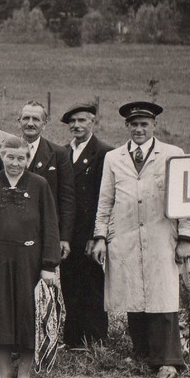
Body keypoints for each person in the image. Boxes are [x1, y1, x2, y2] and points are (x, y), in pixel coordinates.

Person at [91, 101, 190, 378]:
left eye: (144, 124)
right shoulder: (114, 158)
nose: (139, 129)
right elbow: (105, 201)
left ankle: (169, 360)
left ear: (154, 126)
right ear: (127, 126)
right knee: (133, 294)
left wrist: (186, 238)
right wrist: (100, 237)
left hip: (161, 235)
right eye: (134, 124)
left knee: (164, 296)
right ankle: (144, 353)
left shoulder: (173, 154)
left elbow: (186, 199)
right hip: (125, 235)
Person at [0, 140, 61, 378]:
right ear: (1, 156)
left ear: (28, 159)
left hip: (29, 262)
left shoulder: (39, 185)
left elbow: (50, 227)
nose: (15, 163)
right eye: (10, 157)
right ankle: (4, 374)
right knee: (0, 316)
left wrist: (48, 265)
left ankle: (23, 376)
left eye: (21, 158)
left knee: (26, 317)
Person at [60, 103, 112, 347]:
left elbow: (103, 196)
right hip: (68, 232)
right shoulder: (63, 152)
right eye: (73, 122)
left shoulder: (103, 153)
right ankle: (72, 338)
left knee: (91, 284)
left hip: (89, 231)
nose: (77, 126)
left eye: (82, 121)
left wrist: (97, 235)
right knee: (69, 282)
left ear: (92, 122)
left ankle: (95, 339)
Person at [15, 101, 76, 257]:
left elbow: (67, 198)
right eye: (26, 118)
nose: (30, 123)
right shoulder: (5, 150)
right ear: (19, 122)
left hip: (45, 233)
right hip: (11, 232)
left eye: (36, 119)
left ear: (44, 124)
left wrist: (64, 237)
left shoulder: (58, 154)